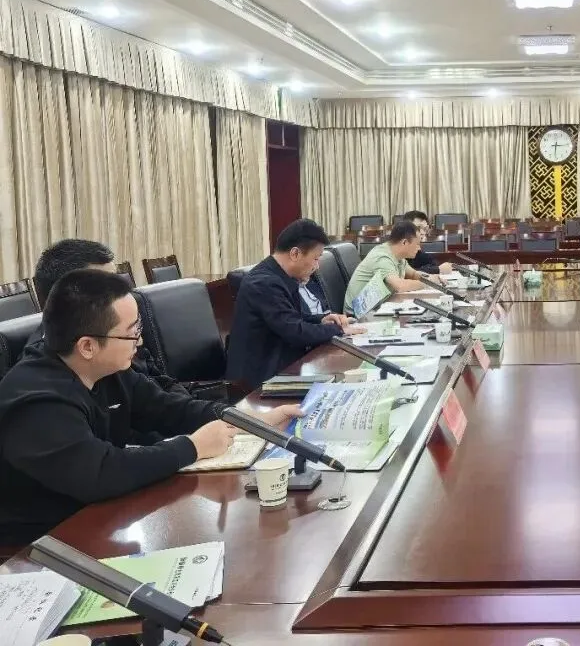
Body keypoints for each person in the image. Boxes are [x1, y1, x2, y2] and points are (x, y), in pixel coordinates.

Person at [0, 269, 301, 546]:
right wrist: (193, 447)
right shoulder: (36, 401)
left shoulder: (108, 369)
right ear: (87, 346)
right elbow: (100, 473)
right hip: (37, 545)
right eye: (131, 332)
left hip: (100, 516)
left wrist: (253, 419)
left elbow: (171, 409)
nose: (140, 340)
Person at [23, 238, 187, 396]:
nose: (121, 295)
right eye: (107, 289)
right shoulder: (47, 379)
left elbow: (160, 384)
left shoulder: (121, 326)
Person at [227, 219, 363, 388]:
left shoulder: (278, 276)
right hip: (261, 381)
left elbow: (290, 317)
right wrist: (339, 329)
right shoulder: (263, 283)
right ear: (295, 254)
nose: (317, 266)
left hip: (283, 366)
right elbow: (295, 332)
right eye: (315, 259)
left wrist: (321, 320)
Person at [344, 221, 439, 311]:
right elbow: (400, 286)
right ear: (404, 242)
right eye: (417, 244)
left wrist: (430, 278)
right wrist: (428, 284)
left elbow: (413, 274)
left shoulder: (397, 255)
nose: (419, 248)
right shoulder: (382, 257)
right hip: (358, 314)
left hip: (376, 306)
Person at [399, 211, 454, 275]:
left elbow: (432, 263)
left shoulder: (417, 250)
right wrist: (437, 269)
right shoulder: (397, 248)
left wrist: (437, 268)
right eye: (418, 228)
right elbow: (404, 273)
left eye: (425, 229)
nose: (423, 232)